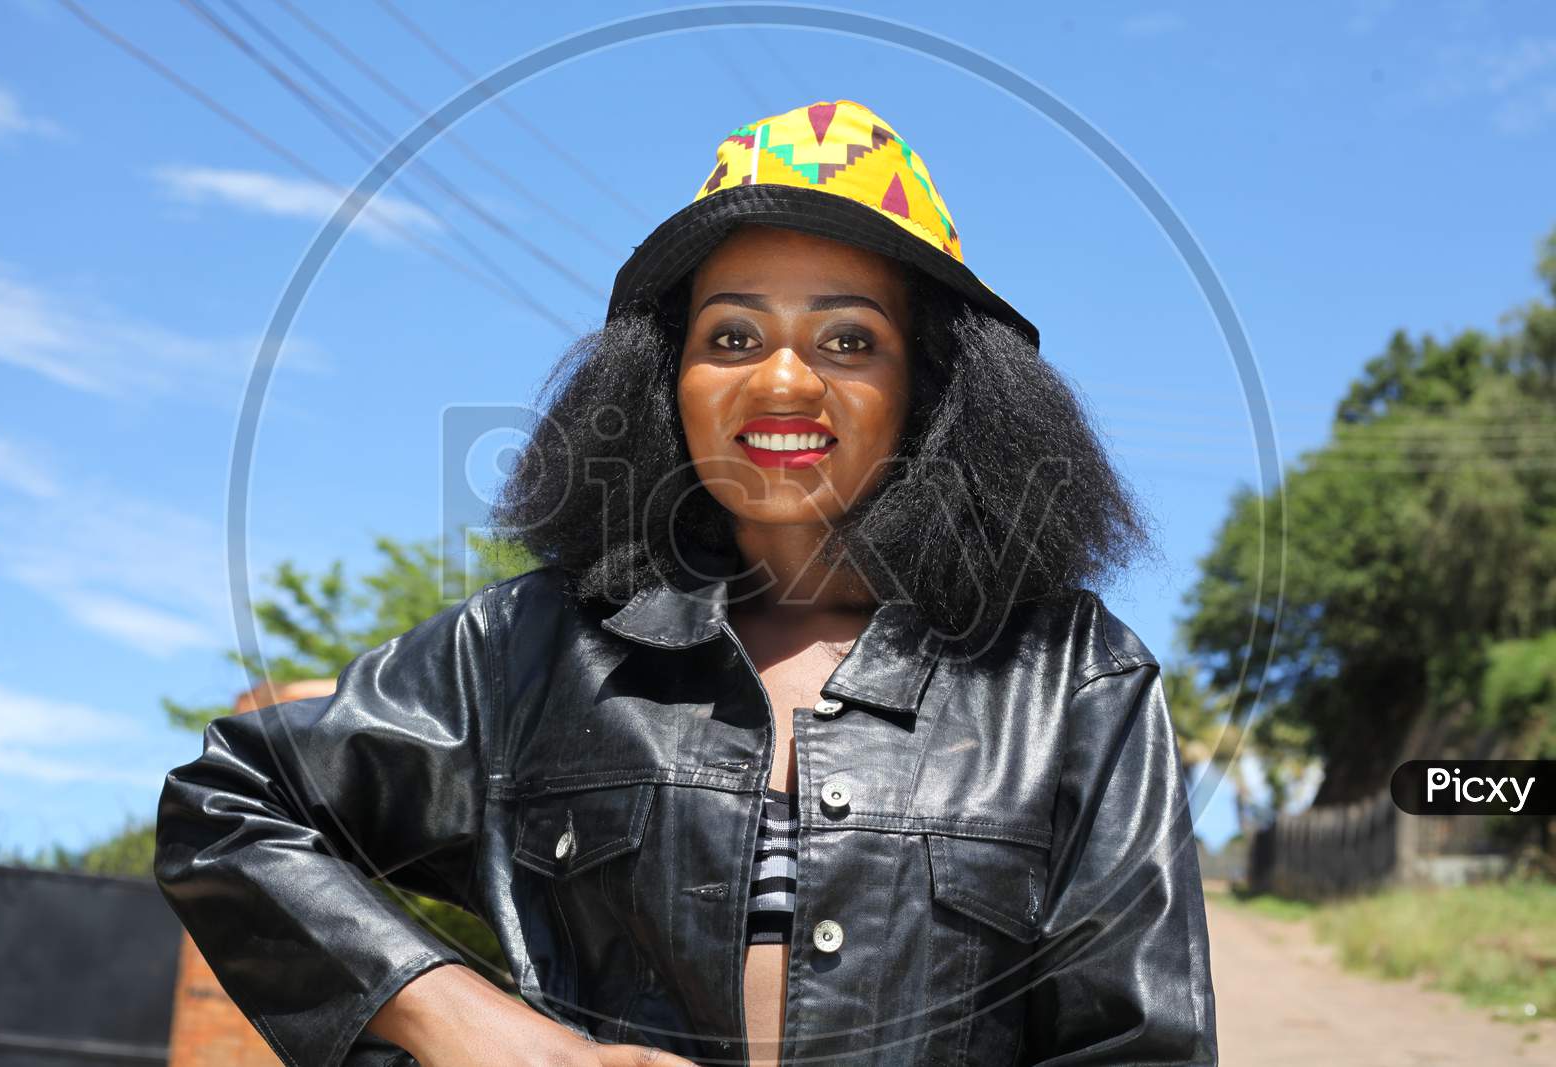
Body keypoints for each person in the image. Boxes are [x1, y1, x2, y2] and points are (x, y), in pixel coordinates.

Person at [154, 99, 1218, 1067]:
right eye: (732, 335)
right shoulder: (531, 645)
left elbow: (1139, 1046)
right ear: (667, 382)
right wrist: (476, 1024)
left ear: (930, 386)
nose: (783, 378)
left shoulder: (1070, 673)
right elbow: (229, 806)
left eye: (849, 337)